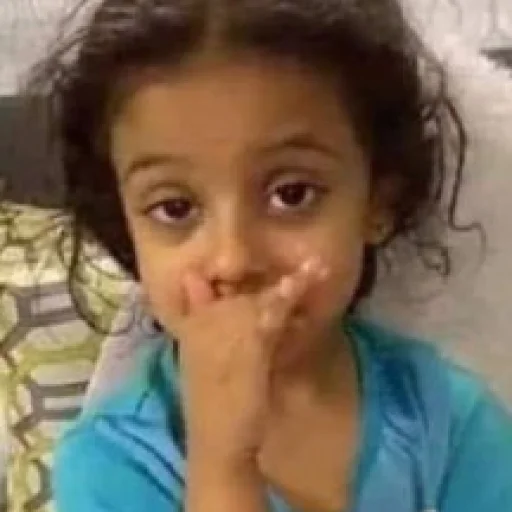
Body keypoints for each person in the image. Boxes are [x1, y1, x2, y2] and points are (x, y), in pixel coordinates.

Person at [29, 0, 512, 510]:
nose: (233, 261)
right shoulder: (111, 464)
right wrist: (222, 463)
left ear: (378, 202)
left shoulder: (448, 421)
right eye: (175, 208)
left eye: (291, 195)